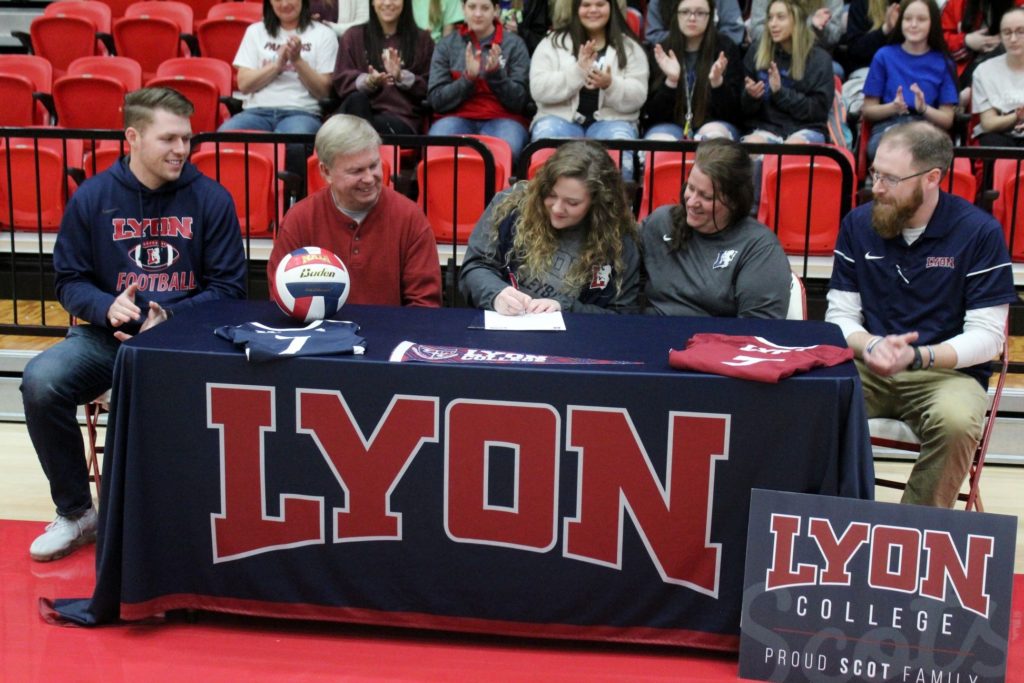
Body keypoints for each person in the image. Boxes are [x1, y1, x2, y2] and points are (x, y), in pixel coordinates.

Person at [20, 87, 248, 562]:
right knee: (40, 381)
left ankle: (147, 516)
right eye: (168, 139)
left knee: (135, 384)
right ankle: (78, 513)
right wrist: (106, 307)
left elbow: (230, 289)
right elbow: (69, 281)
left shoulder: (211, 199)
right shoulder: (93, 198)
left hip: (186, 344)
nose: (181, 150)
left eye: (186, 139)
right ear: (133, 137)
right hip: (106, 337)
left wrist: (169, 319)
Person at [825, 121, 1017, 507]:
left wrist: (919, 355)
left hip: (946, 374)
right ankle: (829, 517)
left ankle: (913, 533)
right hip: (868, 364)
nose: (875, 187)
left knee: (958, 423)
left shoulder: (978, 233)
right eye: (875, 172)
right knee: (808, 402)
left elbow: (988, 337)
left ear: (932, 178)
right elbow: (840, 317)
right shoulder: (858, 224)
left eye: (890, 179)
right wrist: (875, 345)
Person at [268, 114, 442, 306]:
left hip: (392, 334)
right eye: (356, 171)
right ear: (326, 172)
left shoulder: (410, 217)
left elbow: (425, 304)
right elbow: (281, 297)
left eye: (374, 165)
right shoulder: (300, 219)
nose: (369, 178)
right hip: (319, 334)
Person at [459, 140, 640, 314]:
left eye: (572, 202)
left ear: (597, 203)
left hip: (574, 339)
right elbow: (475, 266)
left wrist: (566, 308)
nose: (557, 208)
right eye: (551, 195)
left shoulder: (617, 239)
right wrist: (496, 294)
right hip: (505, 326)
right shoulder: (510, 205)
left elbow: (622, 315)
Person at [640, 138, 792, 318]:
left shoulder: (759, 248)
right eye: (690, 187)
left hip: (717, 342)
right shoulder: (661, 222)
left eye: (706, 197)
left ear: (734, 201)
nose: (692, 202)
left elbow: (759, 330)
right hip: (653, 335)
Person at [529, 0, 648, 180]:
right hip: (558, 119)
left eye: (600, 4)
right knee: (545, 151)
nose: (593, 10)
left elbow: (638, 95)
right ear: (576, 8)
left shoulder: (630, 47)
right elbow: (538, 89)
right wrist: (577, 72)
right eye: (586, 5)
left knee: (620, 160)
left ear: (611, 8)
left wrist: (610, 84)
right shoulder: (552, 43)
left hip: (613, 121)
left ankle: (616, 207)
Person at [427, 0, 532, 162]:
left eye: (485, 8)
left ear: (496, 10)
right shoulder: (446, 45)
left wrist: (496, 75)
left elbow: (519, 102)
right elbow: (436, 100)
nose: (477, 14)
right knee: (436, 148)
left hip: (504, 119)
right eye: (472, 7)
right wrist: (468, 79)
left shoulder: (515, 44)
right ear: (463, 9)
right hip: (455, 117)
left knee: (508, 149)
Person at [220, 0, 338, 142]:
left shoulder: (324, 34)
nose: (284, 4)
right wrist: (277, 65)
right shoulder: (255, 31)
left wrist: (297, 60)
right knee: (223, 138)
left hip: (302, 112)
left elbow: (323, 91)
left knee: (294, 144)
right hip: (256, 112)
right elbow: (244, 84)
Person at [861, 0, 958, 161]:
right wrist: (893, 107)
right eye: (907, 19)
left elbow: (947, 119)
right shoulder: (883, 55)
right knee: (890, 150)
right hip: (890, 125)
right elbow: (868, 110)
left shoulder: (944, 62)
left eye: (921, 19)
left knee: (921, 154)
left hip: (927, 127)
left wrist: (924, 109)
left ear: (932, 23)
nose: (913, 24)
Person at [642, 0, 744, 142]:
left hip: (715, 124)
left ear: (710, 16)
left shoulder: (725, 49)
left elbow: (733, 115)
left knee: (713, 136)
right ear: (676, 15)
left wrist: (717, 83)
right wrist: (671, 82)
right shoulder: (662, 51)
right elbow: (653, 116)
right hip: (670, 125)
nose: (692, 18)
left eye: (700, 13)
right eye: (685, 12)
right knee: (660, 140)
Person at [333, 0, 435, 135]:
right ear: (372, 2)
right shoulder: (353, 36)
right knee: (357, 101)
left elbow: (430, 86)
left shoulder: (422, 40)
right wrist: (368, 81)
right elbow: (340, 80)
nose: (387, 3)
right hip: (357, 113)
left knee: (356, 131)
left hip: (400, 119)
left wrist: (401, 76)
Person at [741, 0, 835, 146]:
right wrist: (751, 97)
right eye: (770, 18)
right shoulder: (756, 52)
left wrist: (780, 93)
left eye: (780, 17)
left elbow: (818, 111)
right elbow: (743, 111)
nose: (773, 24)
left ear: (797, 21)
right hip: (766, 128)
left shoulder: (819, 59)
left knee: (792, 148)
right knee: (751, 146)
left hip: (807, 129)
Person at [839, 0, 903, 118]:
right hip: (867, 71)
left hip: (905, 71)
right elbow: (856, 50)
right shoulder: (861, 3)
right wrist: (885, 29)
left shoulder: (915, 4)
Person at [971, 6, 1024, 145]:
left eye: (1020, 32)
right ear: (1000, 36)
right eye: (1007, 33)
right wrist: (1017, 117)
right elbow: (988, 123)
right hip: (1000, 136)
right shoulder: (984, 71)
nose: (1013, 39)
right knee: (991, 141)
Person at [749, 0, 847, 53]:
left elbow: (834, 37)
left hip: (813, 55)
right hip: (773, 54)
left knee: (834, 71)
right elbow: (756, 30)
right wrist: (807, 26)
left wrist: (819, 27)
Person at [644, 0, 746, 46]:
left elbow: (734, 33)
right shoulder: (658, 2)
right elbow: (654, 34)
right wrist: (688, 41)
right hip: (671, 56)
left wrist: (702, 42)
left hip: (714, 57)